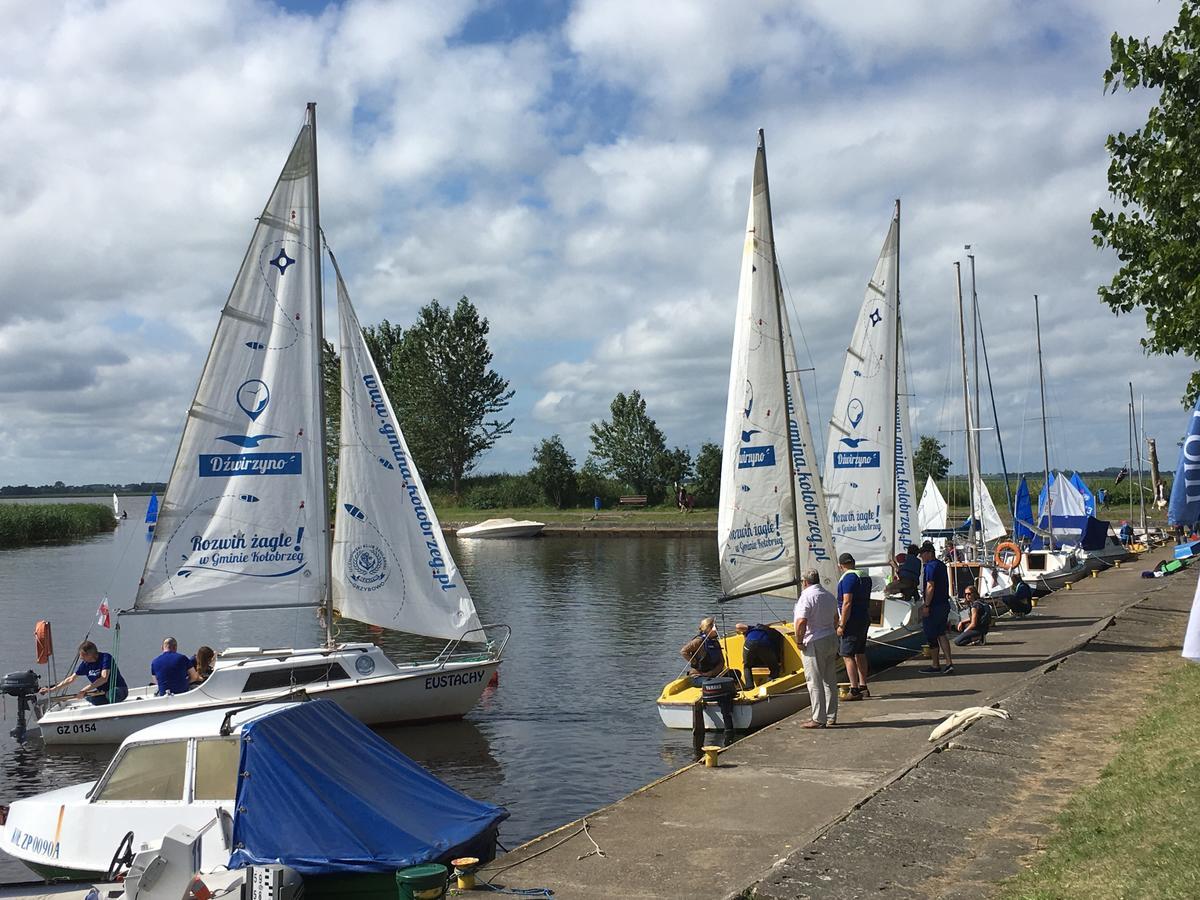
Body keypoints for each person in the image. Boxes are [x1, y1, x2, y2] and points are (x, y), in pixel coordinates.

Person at [794, 569, 839, 728]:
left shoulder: (806, 597)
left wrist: (799, 641)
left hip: (815, 640)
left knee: (814, 681)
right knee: (830, 680)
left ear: (805, 582)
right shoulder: (829, 595)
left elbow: (801, 622)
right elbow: (836, 619)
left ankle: (818, 719)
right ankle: (831, 716)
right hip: (831, 638)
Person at [38, 640, 128, 705]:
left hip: (119, 689)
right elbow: (71, 679)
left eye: (82, 655)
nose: (81, 658)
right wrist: (52, 690)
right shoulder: (85, 664)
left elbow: (104, 678)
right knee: (90, 698)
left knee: (112, 695)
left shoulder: (106, 658)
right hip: (102, 692)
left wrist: (85, 689)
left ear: (89, 654)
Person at [836, 553, 872, 699]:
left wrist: (841, 625)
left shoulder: (849, 578)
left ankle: (854, 689)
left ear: (840, 566)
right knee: (860, 652)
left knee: (847, 655)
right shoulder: (865, 576)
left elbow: (847, 602)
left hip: (851, 621)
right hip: (864, 618)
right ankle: (863, 686)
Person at [918, 542, 954, 674]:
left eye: (922, 554)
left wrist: (926, 605)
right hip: (943, 604)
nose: (921, 557)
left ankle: (935, 664)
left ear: (929, 553)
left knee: (931, 635)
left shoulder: (930, 567)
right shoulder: (941, 565)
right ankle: (949, 662)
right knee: (941, 633)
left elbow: (930, 586)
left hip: (934, 606)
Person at [735, 622, 783, 689]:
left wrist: (746, 630)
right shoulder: (773, 632)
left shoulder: (753, 628)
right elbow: (777, 648)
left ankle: (749, 686)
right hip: (764, 644)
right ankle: (769, 685)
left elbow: (737, 626)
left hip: (749, 643)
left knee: (747, 666)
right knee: (774, 668)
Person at [680, 617, 725, 684]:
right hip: (699, 675)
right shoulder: (699, 641)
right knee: (709, 682)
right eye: (713, 627)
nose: (716, 629)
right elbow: (683, 651)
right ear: (707, 629)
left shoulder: (715, 642)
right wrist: (695, 662)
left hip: (713, 674)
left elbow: (721, 662)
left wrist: (711, 673)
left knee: (736, 673)